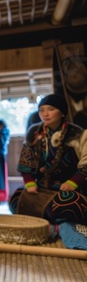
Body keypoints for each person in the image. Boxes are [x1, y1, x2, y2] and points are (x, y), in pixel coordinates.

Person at [9, 94, 87, 225]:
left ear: (62, 113)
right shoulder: (33, 132)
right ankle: (49, 219)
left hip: (66, 190)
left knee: (72, 203)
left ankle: (49, 221)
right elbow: (26, 160)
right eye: (41, 110)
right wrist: (29, 182)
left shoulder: (77, 133)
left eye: (51, 109)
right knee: (17, 198)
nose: (45, 114)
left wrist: (73, 182)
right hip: (41, 188)